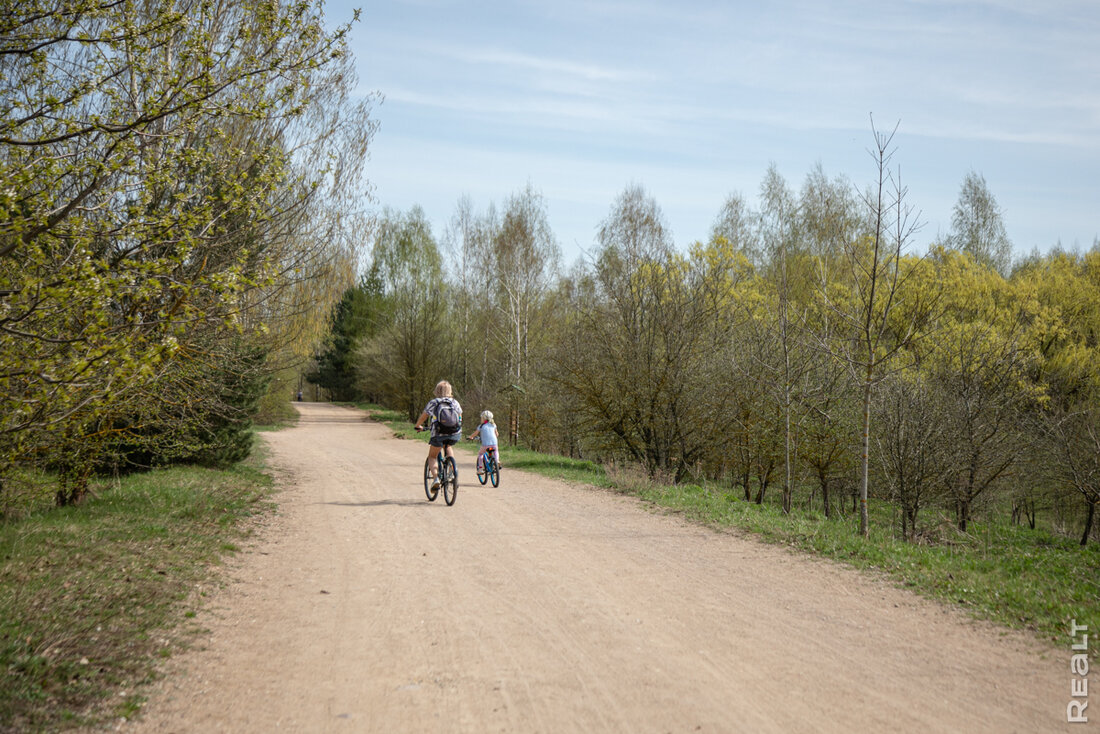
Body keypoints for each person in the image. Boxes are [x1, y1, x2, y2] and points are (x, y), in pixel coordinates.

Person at [413, 380, 463, 488]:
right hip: (455, 433)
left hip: (438, 434)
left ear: (437, 391)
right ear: (450, 391)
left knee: (432, 456)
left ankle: (436, 478)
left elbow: (424, 416)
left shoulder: (434, 402)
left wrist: (418, 425)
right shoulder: (455, 402)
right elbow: (460, 418)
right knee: (448, 446)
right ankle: (451, 471)